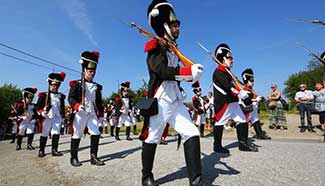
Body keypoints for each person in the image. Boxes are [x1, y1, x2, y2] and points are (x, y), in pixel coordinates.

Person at [140, 1, 204, 185]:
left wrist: (190, 75)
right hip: (160, 99)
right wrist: (186, 72)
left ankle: (196, 180)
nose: (178, 28)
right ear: (165, 26)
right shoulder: (154, 46)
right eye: (174, 25)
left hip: (175, 99)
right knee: (152, 137)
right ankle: (146, 176)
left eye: (177, 25)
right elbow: (161, 71)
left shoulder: (172, 48)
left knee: (192, 132)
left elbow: (176, 74)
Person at [212, 43, 258, 153]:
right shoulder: (218, 72)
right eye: (229, 58)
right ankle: (217, 145)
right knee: (219, 123)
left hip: (233, 102)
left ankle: (243, 144)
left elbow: (234, 85)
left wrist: (244, 93)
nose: (232, 60)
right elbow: (228, 87)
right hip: (224, 103)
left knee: (242, 121)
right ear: (222, 59)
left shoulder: (228, 73)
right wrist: (239, 93)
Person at [68, 50, 105, 167]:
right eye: (90, 71)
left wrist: (101, 115)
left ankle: (93, 157)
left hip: (92, 113)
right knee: (77, 134)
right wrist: (77, 106)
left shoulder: (97, 87)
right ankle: (73, 157)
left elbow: (99, 102)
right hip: (80, 114)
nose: (92, 74)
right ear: (84, 70)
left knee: (96, 132)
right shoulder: (77, 84)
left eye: (94, 72)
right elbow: (71, 98)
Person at [36, 72, 66, 158]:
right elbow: (38, 106)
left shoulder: (61, 96)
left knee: (56, 133)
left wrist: (63, 117)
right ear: (50, 85)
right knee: (45, 133)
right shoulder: (44, 95)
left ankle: (54, 150)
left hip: (57, 117)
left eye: (56, 85)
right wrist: (41, 111)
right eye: (53, 85)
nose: (55, 87)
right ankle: (41, 150)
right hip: (47, 117)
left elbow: (62, 107)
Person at [240, 68, 271, 140]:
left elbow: (255, 96)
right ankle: (243, 139)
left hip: (254, 110)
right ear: (247, 82)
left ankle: (260, 134)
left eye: (253, 80)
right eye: (251, 81)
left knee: (256, 120)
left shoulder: (251, 90)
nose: (253, 82)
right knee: (244, 123)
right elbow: (246, 101)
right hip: (248, 109)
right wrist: (255, 99)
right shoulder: (244, 91)